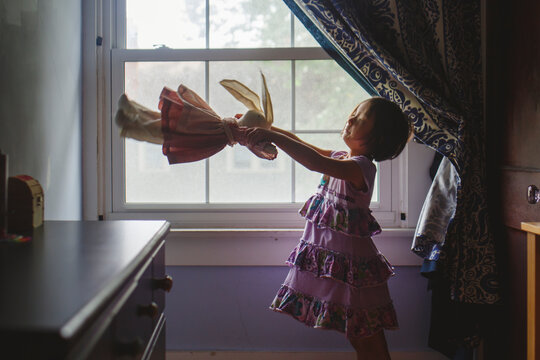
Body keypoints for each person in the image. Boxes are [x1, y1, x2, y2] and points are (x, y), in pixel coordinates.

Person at [246, 97, 412, 360]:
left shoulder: (361, 168)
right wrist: (265, 129)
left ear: (379, 137)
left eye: (362, 117)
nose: (351, 118)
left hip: (352, 271)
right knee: (359, 336)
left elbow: (313, 161)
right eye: (353, 112)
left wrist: (270, 135)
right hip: (338, 268)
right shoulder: (340, 157)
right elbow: (304, 146)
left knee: (368, 340)